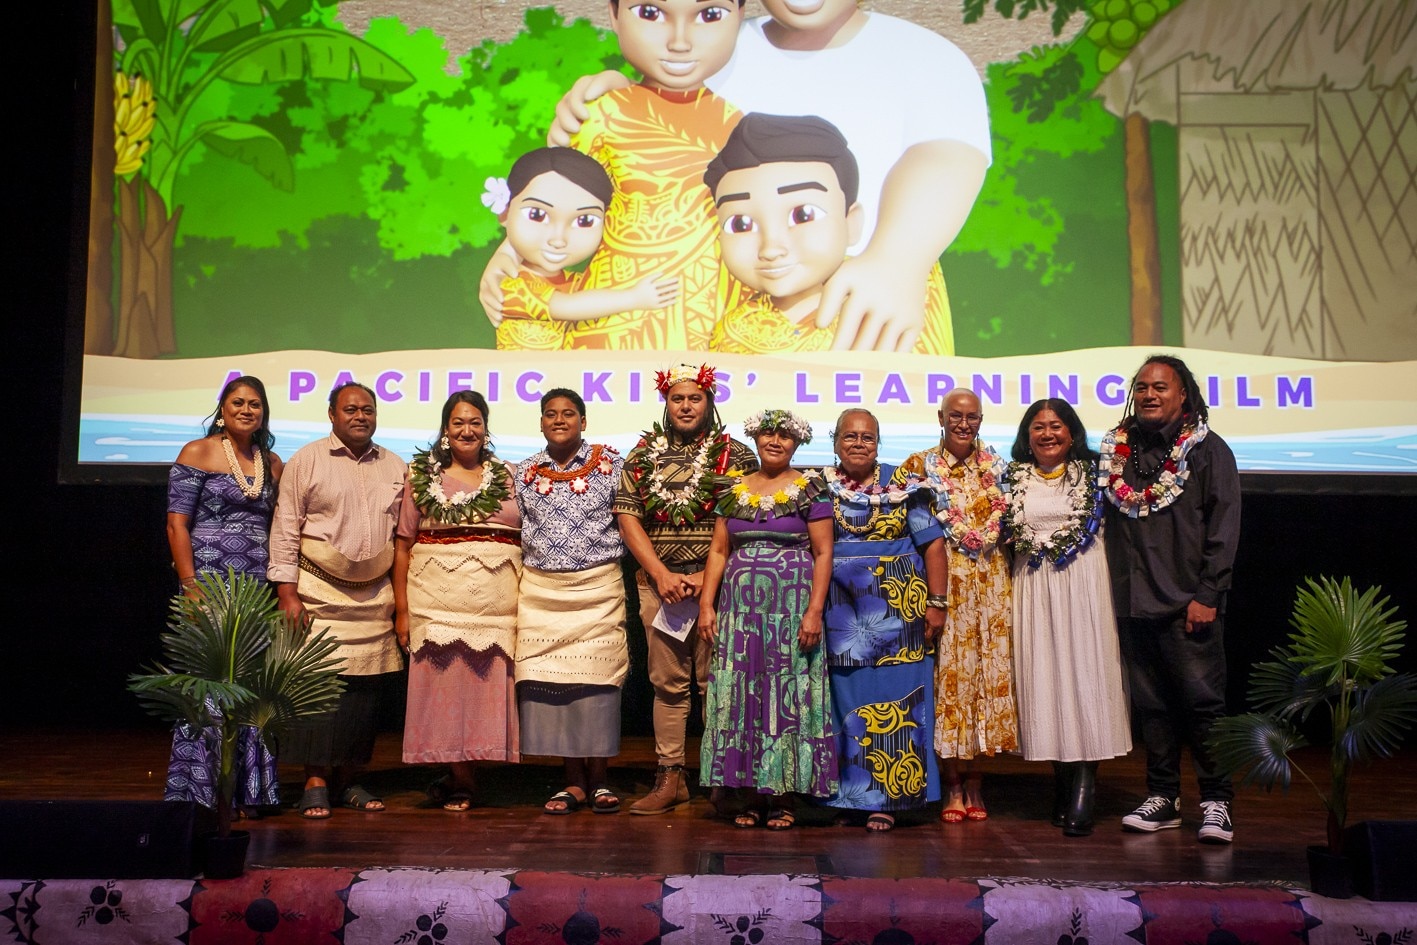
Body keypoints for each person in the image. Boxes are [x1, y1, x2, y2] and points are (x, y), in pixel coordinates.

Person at [550, 0, 990, 353]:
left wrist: (896, 260)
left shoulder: (924, 56)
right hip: (731, 314)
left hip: (874, 298)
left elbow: (947, 156)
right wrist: (623, 95)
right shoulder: (720, 41)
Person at [482, 0, 747, 350]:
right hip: (615, 318)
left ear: (740, 17)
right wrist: (510, 253)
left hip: (711, 311)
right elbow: (556, 195)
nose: (679, 42)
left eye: (709, 15)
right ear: (614, 14)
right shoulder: (604, 114)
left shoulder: (739, 127)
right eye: (651, 13)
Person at [1103, 355, 1241, 844]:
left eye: (1160, 387)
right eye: (1141, 387)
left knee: (1203, 706)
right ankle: (1163, 797)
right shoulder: (1119, 452)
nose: (1149, 394)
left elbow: (1223, 527)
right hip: (1132, 600)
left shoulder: (1207, 450)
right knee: (1153, 707)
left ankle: (1217, 801)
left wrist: (1208, 593)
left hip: (1188, 603)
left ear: (1183, 394)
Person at [614, 363, 758, 814]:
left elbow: (746, 523)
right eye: (678, 398)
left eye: (695, 398)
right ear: (666, 402)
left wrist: (705, 579)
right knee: (668, 686)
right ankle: (670, 777)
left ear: (709, 401)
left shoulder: (738, 457)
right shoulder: (641, 456)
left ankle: (722, 778)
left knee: (718, 683)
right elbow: (627, 518)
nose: (686, 406)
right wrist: (660, 574)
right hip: (662, 589)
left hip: (719, 588)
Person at [268, 381, 408, 819]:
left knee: (363, 694)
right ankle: (314, 781)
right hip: (316, 591)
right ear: (332, 414)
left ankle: (349, 779)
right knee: (318, 687)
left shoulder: (395, 465)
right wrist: (286, 592)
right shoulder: (306, 460)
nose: (360, 416)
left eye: (368, 409)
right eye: (351, 409)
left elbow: (403, 536)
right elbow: (285, 527)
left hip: (374, 597)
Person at [698, 409, 834, 829]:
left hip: (790, 611)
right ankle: (752, 795)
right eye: (768, 434)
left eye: (785, 436)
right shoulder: (732, 489)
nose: (775, 441)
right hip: (740, 614)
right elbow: (718, 550)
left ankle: (784, 796)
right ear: (755, 438)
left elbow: (823, 552)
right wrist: (707, 605)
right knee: (744, 695)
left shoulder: (811, 488)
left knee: (785, 695)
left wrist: (814, 611)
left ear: (798, 442)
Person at [1003, 399, 1131, 837]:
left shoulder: (1094, 476)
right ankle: (1062, 780)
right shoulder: (1013, 478)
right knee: (1046, 681)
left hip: (1083, 586)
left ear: (1072, 432)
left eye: (1056, 426)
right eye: (1038, 427)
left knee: (1085, 679)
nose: (1048, 434)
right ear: (1027, 437)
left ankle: (1084, 787)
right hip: (1034, 587)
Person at [820, 408, 948, 832]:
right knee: (847, 705)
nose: (859, 443)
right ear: (835, 442)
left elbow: (933, 546)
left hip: (900, 612)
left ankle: (890, 800)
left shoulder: (903, 484)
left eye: (867, 437)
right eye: (850, 436)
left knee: (898, 704)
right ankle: (849, 798)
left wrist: (937, 602)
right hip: (842, 617)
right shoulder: (821, 487)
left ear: (878, 443)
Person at [393, 391, 521, 811]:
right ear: (446, 430)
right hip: (435, 603)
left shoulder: (509, 476)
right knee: (444, 690)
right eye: (458, 422)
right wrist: (402, 611)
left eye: (475, 422)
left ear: (486, 428)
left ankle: (461, 774)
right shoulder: (421, 477)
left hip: (494, 607)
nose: (467, 430)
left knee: (481, 692)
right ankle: (461, 778)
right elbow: (403, 545)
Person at [164, 375, 284, 814]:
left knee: (249, 686)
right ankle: (199, 792)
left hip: (255, 589)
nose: (246, 410)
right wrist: (190, 585)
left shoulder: (272, 463)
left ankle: (248, 791)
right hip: (208, 583)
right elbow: (176, 524)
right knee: (210, 683)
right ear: (222, 409)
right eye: (238, 402)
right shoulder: (197, 452)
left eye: (255, 404)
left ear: (263, 413)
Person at [901, 388, 1017, 822]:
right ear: (941, 417)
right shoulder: (918, 467)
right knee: (952, 681)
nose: (964, 424)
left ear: (981, 420)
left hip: (993, 588)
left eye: (972, 417)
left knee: (989, 680)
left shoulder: (999, 468)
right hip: (946, 587)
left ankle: (976, 782)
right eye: (956, 415)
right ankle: (952, 783)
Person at [514, 388, 629, 814]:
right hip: (542, 593)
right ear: (541, 422)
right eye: (550, 414)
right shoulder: (524, 471)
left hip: (598, 590)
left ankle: (599, 780)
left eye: (568, 413)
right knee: (556, 687)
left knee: (597, 685)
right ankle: (572, 782)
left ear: (584, 421)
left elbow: (628, 521)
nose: (559, 420)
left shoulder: (612, 465)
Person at [487, 147, 678, 351]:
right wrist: (634, 298)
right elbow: (568, 306)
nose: (558, 239)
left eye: (584, 221)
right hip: (526, 371)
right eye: (537, 215)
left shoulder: (579, 281)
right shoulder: (510, 284)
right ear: (504, 214)